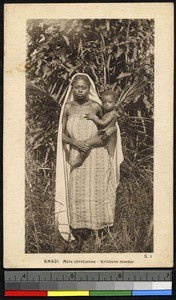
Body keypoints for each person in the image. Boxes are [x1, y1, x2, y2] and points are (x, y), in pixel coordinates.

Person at [55, 73, 123, 242]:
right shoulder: (68, 108)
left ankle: (99, 234)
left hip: (96, 156)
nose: (79, 90)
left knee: (97, 193)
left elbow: (108, 131)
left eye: (83, 87)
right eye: (76, 87)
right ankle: (79, 233)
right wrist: (75, 143)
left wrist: (89, 143)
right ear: (72, 88)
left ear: (89, 88)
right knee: (77, 192)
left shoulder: (97, 107)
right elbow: (60, 136)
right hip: (77, 154)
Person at [69, 90, 118, 168]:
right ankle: (80, 157)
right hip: (101, 136)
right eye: (104, 102)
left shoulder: (113, 113)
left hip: (104, 137)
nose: (106, 104)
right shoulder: (107, 113)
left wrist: (92, 118)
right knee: (85, 142)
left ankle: (79, 160)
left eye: (109, 102)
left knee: (87, 143)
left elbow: (103, 123)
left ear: (116, 103)